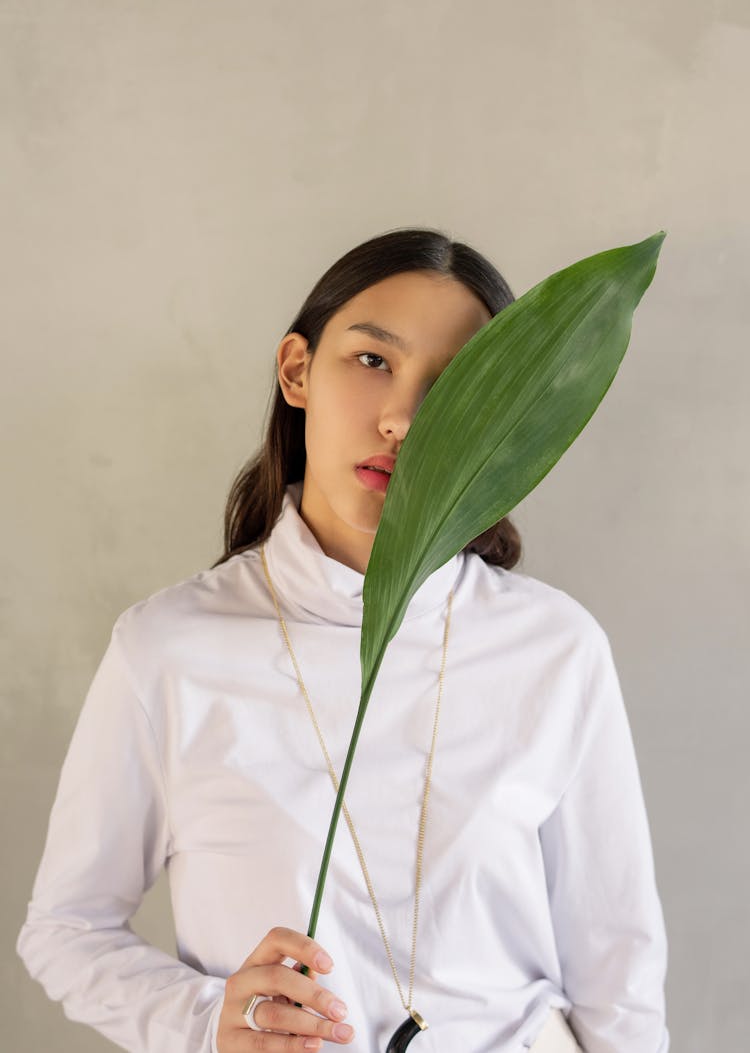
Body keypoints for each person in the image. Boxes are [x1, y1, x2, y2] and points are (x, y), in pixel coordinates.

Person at [17, 228, 670, 1053]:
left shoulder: (554, 647)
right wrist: (205, 1021)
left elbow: (620, 967)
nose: (403, 418)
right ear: (297, 370)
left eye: (457, 385)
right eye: (372, 361)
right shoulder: (170, 649)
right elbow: (65, 929)